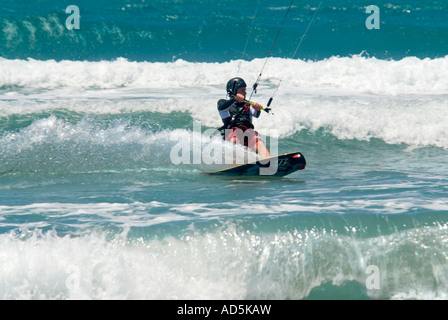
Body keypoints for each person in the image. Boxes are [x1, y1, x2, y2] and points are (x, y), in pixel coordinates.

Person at [217, 77, 271, 158]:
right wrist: (235, 99)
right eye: (242, 90)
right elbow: (222, 108)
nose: (245, 93)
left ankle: (269, 161)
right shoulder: (222, 103)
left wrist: (257, 109)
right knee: (234, 140)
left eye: (245, 90)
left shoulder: (248, 105)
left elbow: (256, 114)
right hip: (232, 135)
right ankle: (234, 165)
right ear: (234, 91)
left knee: (259, 144)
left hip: (249, 134)